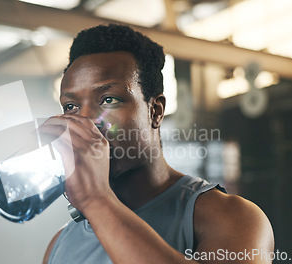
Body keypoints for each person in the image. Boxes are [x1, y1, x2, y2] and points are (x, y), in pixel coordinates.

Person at [40, 24, 274, 264]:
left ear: (155, 111)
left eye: (109, 99)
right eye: (71, 107)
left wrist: (96, 200)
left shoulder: (231, 217)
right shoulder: (59, 243)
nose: (85, 121)